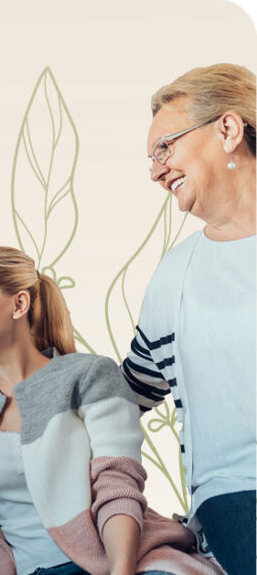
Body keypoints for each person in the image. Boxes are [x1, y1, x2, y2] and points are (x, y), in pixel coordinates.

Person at [0, 245, 217, 575]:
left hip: (121, 562)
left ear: (19, 304)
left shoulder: (88, 375)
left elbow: (117, 484)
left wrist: (120, 572)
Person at [121, 63, 256, 575]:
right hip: (238, 491)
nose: (156, 171)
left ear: (227, 130)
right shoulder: (174, 277)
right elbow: (131, 392)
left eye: (165, 148)